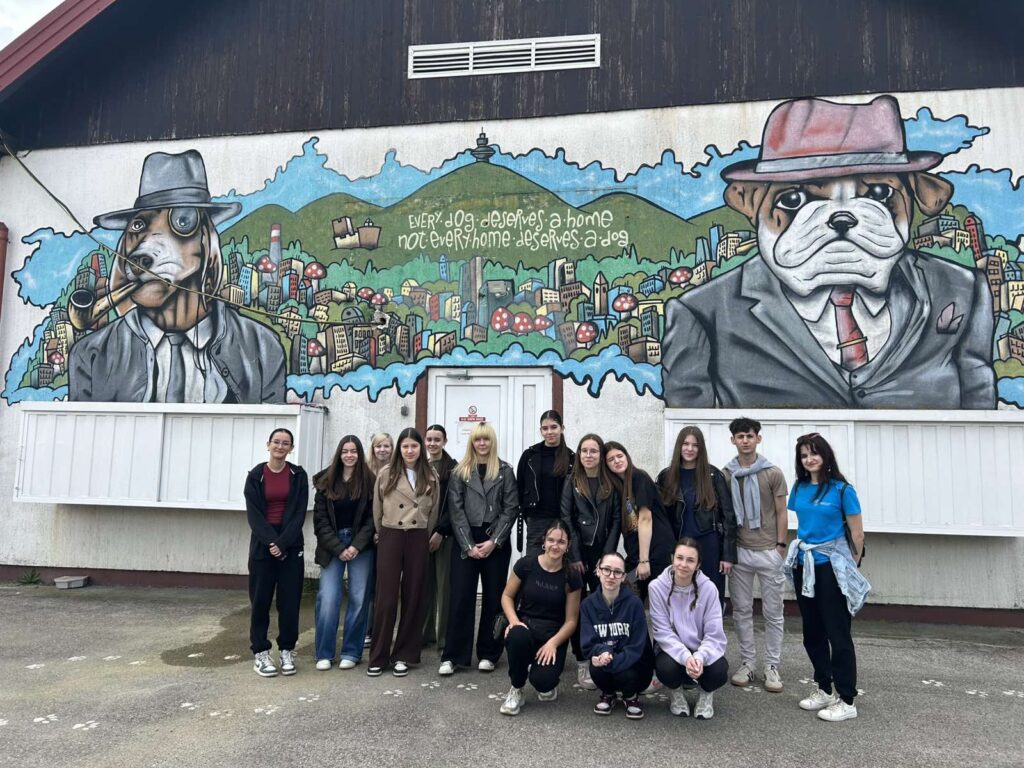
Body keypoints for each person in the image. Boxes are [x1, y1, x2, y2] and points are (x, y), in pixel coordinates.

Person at [785, 432, 869, 723]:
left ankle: (847, 699)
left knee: (838, 633)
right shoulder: (799, 488)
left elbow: (857, 534)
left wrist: (849, 567)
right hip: (805, 565)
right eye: (804, 455)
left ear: (825, 455)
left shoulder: (842, 490)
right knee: (812, 632)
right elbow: (803, 524)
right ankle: (824, 688)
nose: (809, 459)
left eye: (814, 453)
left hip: (832, 569)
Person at [439, 422, 519, 676]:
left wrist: (494, 541)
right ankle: (453, 656)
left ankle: (489, 653)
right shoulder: (460, 472)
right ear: (472, 442)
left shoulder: (505, 471)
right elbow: (456, 510)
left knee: (494, 597)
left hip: (495, 541)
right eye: (477, 439)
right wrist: (468, 545)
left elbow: (511, 508)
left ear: (492, 442)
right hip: (466, 539)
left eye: (486, 439)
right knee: (461, 597)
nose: (482, 444)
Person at [722, 417, 789, 692]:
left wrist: (780, 547)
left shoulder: (772, 473)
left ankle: (772, 666)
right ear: (733, 440)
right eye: (740, 436)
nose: (745, 440)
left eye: (750, 435)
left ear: (758, 438)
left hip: (769, 550)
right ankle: (747, 663)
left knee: (774, 613)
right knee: (741, 611)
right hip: (740, 551)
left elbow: (782, 511)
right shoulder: (726, 474)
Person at [368, 428, 440, 677]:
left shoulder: (430, 474)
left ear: (421, 448)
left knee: (414, 595)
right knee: (386, 596)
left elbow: (434, 510)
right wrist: (383, 533)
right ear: (399, 448)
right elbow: (377, 508)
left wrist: (424, 533)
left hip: (418, 535)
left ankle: (404, 655)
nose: (410, 451)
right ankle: (379, 655)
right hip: (391, 533)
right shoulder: (386, 473)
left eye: (414, 446)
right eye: (405, 446)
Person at [498, 520, 582, 715]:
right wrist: (514, 621)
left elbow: (571, 621)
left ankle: (540, 675)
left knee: (543, 683)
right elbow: (506, 596)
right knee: (517, 636)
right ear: (544, 541)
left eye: (561, 542)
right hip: (525, 628)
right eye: (551, 540)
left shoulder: (571, 575)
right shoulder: (526, 565)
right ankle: (516, 688)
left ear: (568, 545)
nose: (555, 545)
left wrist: (553, 644)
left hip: (552, 635)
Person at [244, 428, 309, 677]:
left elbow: (299, 513)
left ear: (291, 448)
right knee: (260, 601)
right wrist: (272, 542)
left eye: (285, 443)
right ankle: (261, 653)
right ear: (268, 444)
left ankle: (287, 650)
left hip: (291, 545)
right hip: (263, 545)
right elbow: (254, 516)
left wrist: (283, 543)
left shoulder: (298, 475)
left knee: (289, 602)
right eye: (276, 442)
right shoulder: (255, 476)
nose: (280, 447)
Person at [562, 433, 621, 689]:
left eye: (593, 451)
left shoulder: (611, 483)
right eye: (584, 451)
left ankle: (605, 655)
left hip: (602, 554)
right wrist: (574, 555)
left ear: (601, 454)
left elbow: (617, 520)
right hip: (579, 553)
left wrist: (606, 558)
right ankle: (582, 659)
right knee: (577, 607)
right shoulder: (572, 481)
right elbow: (566, 518)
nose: (588, 455)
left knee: (603, 608)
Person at [312, 435, 376, 671]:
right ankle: (324, 653)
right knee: (328, 598)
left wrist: (356, 546)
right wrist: (340, 548)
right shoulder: (325, 481)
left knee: (359, 598)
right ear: (339, 454)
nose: (349, 455)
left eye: (354, 451)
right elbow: (320, 522)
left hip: (361, 546)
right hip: (332, 546)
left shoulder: (370, 481)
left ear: (360, 454)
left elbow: (373, 519)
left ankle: (351, 651)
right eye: (345, 451)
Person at [649, 538, 729, 719]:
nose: (683, 564)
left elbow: (714, 633)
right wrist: (686, 657)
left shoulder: (709, 589)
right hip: (672, 650)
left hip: (701, 648)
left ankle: (706, 695)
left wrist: (699, 657)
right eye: (679, 558)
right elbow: (663, 632)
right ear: (672, 558)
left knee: (719, 671)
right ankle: (676, 693)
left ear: (698, 565)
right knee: (665, 668)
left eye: (690, 560)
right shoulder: (657, 587)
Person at [656, 427, 736, 601]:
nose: (690, 449)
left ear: (701, 449)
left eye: (695, 445)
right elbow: (660, 518)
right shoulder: (666, 476)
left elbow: (728, 516)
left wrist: (727, 555)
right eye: (685, 444)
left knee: (710, 596)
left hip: (709, 544)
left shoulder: (714, 475)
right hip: (679, 545)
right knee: (680, 596)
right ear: (679, 446)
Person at [579, 552, 655, 719]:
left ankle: (631, 697)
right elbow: (587, 643)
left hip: (633, 667)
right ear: (598, 571)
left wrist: (612, 660)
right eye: (606, 569)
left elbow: (637, 646)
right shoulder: (587, 605)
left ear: (623, 577)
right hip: (606, 661)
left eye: (617, 572)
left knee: (624, 672)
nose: (611, 576)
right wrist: (602, 652)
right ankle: (608, 694)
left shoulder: (634, 604)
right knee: (596, 666)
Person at [603, 441, 674, 595]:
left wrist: (644, 561)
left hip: (655, 552)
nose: (617, 461)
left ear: (627, 456)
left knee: (658, 598)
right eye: (611, 459)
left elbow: (645, 519)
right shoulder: (618, 487)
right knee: (626, 592)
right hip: (637, 554)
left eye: (620, 456)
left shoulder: (639, 477)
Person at [516, 410, 575, 556]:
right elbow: (520, 487)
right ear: (541, 430)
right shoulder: (529, 455)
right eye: (545, 428)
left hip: (562, 520)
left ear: (562, 428)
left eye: (554, 427)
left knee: (560, 563)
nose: (549, 432)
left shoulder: (571, 457)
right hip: (536, 519)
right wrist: (527, 514)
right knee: (533, 563)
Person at [422, 424, 457, 652]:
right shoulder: (420, 466)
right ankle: (425, 634)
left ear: (444, 441)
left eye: (437, 439)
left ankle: (444, 637)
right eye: (429, 439)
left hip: (444, 535)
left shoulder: (454, 468)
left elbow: (454, 504)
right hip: (421, 535)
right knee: (424, 586)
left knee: (444, 587)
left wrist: (441, 531)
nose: (433, 443)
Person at [363, 431, 393, 649]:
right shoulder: (365, 472)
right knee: (368, 585)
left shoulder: (397, 471)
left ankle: (380, 630)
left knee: (384, 586)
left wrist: (381, 531)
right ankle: (367, 629)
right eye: (378, 446)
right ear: (372, 449)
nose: (382, 450)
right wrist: (372, 531)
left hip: (388, 535)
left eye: (386, 446)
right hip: (366, 537)